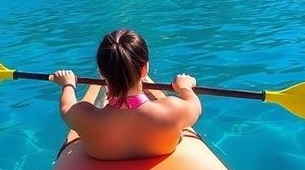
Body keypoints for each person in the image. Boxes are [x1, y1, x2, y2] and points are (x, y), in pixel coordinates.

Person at [50, 29, 201, 160]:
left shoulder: (84, 116)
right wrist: (185, 87)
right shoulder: (174, 110)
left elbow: (66, 106)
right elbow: (196, 105)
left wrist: (68, 84)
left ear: (102, 72)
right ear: (145, 68)